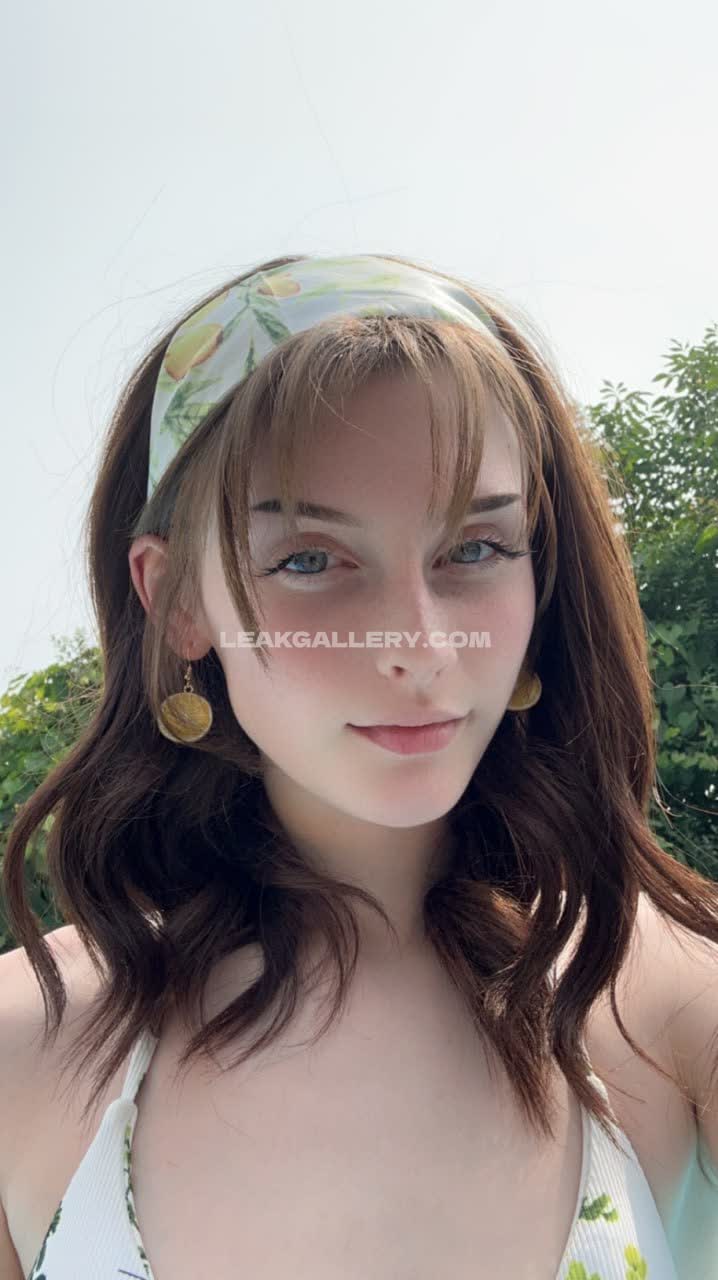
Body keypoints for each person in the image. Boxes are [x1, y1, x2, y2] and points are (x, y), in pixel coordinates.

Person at [1, 252, 716, 1280]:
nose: (420, 646)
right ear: (179, 600)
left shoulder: (662, 1000)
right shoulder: (22, 1043)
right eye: (309, 560)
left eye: (475, 548)